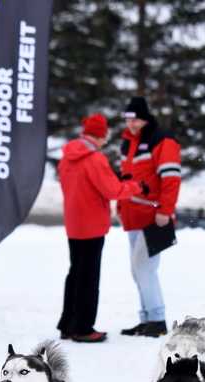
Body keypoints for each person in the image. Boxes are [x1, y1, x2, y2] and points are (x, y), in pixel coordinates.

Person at [57, 113, 146, 343]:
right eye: (104, 137)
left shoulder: (67, 157)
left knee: (75, 273)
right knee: (88, 277)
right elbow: (112, 191)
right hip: (92, 224)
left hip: (74, 222)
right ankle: (83, 328)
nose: (105, 142)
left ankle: (68, 324)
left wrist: (114, 179)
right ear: (98, 136)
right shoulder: (95, 158)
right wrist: (136, 186)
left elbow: (85, 184)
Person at [117, 96, 182, 338]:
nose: (131, 124)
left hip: (154, 217)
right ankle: (146, 319)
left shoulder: (161, 140)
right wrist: (122, 208)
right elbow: (126, 178)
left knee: (144, 268)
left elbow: (171, 178)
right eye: (127, 119)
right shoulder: (128, 142)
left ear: (144, 118)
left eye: (135, 119)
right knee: (137, 270)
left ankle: (157, 319)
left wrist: (165, 210)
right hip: (133, 216)